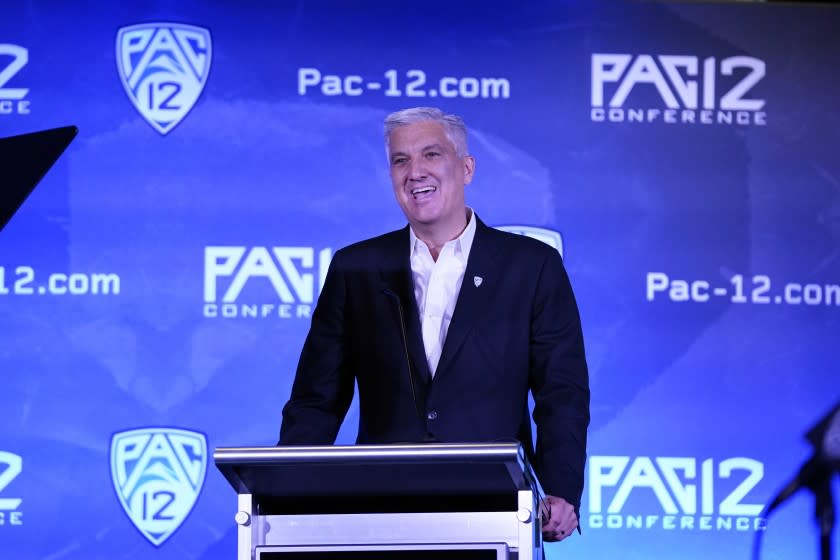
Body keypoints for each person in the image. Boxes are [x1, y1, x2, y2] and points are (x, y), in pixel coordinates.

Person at [279, 106, 589, 542]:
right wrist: (285, 490)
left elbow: (562, 392)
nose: (414, 172)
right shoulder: (357, 269)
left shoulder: (531, 267)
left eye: (431, 155)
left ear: (466, 168)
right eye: (400, 160)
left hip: (495, 512)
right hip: (380, 515)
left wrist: (559, 489)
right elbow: (316, 400)